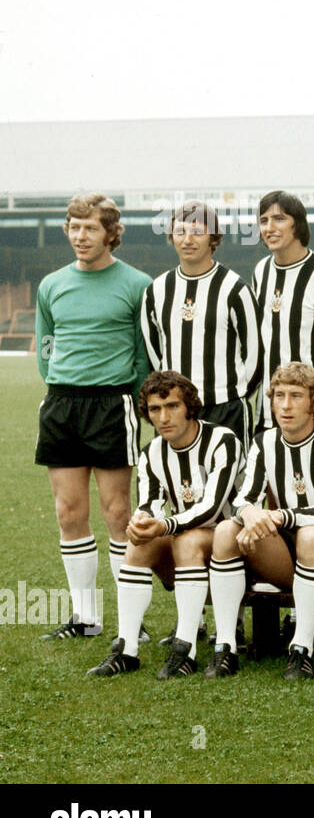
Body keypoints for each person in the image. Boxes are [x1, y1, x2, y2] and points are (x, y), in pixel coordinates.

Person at [36, 193, 153, 640]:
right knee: (69, 512)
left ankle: (131, 620)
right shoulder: (52, 285)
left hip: (111, 405)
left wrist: (133, 395)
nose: (79, 236)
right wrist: (58, 382)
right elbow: (46, 345)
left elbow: (144, 354)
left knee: (118, 511)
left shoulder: (136, 284)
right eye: (73, 227)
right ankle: (85, 617)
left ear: (110, 234)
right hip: (62, 403)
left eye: (89, 228)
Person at [87, 371, 241, 679]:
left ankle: (186, 649)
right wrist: (142, 521)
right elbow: (150, 504)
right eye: (155, 409)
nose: (163, 416)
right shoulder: (152, 453)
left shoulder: (222, 440)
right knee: (139, 542)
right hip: (183, 539)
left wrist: (164, 525)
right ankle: (127, 649)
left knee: (188, 539)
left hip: (231, 543)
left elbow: (212, 509)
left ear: (190, 407)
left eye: (172, 406)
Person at [211, 362, 314, 679]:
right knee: (225, 531)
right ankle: (225, 648)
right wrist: (249, 514)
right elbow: (244, 497)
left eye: (296, 396)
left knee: (312, 535)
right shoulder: (265, 442)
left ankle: (301, 649)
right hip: (289, 555)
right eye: (278, 396)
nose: (285, 405)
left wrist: (277, 515)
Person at [141, 200, 260, 446]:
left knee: (231, 483)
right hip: (174, 410)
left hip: (225, 409)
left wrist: (231, 393)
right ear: (172, 237)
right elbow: (155, 352)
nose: (188, 240)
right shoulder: (157, 290)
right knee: (177, 481)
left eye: (197, 232)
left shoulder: (235, 289)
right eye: (180, 232)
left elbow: (255, 355)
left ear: (213, 238)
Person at [251, 190, 314, 428]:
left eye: (279, 219)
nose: (270, 227)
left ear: (297, 224)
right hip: (268, 412)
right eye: (264, 221)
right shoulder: (260, 271)